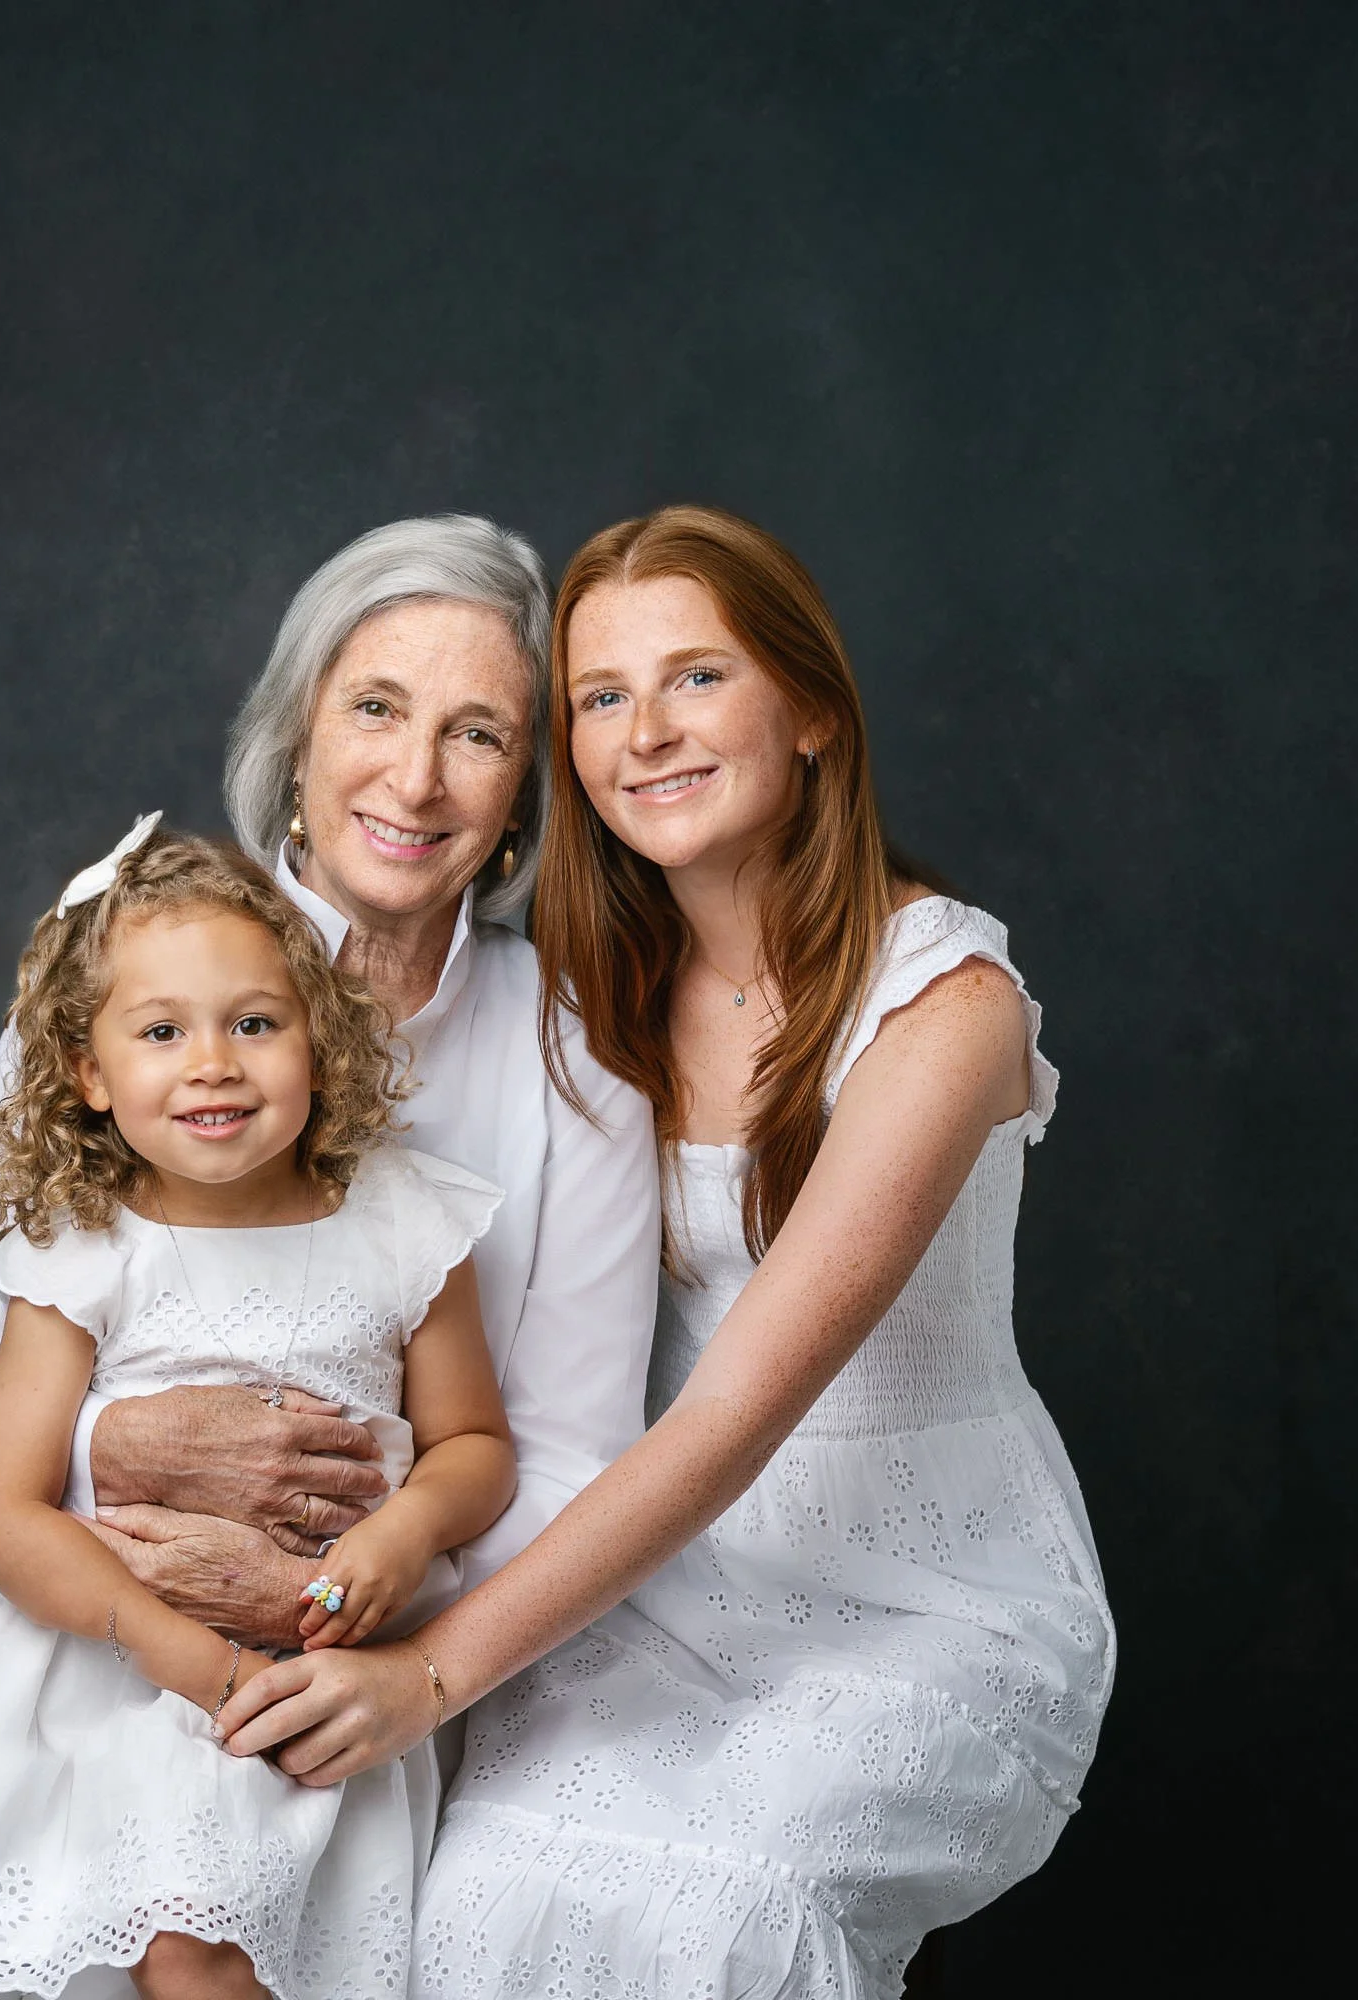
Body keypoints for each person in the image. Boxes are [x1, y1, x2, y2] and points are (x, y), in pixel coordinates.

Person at [219, 506, 1118, 1998]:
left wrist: (431, 1671)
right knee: (471, 1895)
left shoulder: (946, 1003)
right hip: (655, 1574)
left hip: (920, 1592)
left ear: (812, 708)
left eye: (697, 678)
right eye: (600, 698)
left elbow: (733, 1411)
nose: (648, 733)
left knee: (714, 1911)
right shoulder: (584, 994)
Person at [0, 515, 660, 1995]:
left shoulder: (575, 1070)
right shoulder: (125, 981)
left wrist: (351, 1609)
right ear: (298, 730)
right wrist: (108, 1461)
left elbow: (576, 1468)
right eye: (376, 709)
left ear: (526, 794)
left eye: (479, 734)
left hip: (341, 1680)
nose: (415, 777)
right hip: (41, 1636)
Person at [0, 822, 517, 2000]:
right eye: (161, 1030)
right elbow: (3, 1510)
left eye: (255, 1022)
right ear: (88, 1071)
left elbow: (473, 1444)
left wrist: (401, 1531)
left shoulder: (406, 1222)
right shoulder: (82, 1236)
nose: (212, 1061)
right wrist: (172, 1648)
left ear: (319, 1044)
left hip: (276, 1665)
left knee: (199, 1955)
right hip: (53, 1635)